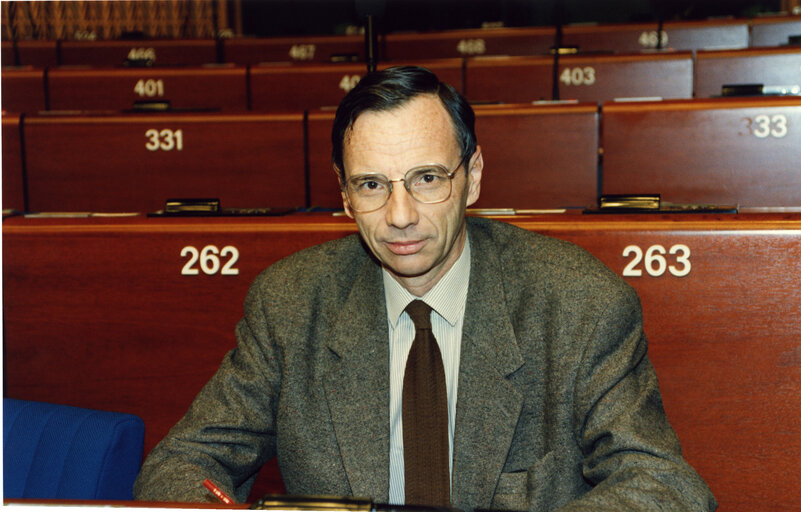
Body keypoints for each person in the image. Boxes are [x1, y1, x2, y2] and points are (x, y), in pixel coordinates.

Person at [134, 66, 716, 511]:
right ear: (343, 195)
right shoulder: (291, 303)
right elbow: (181, 464)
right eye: (371, 185)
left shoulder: (578, 303)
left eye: (428, 179)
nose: (400, 215)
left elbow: (661, 484)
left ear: (474, 176)